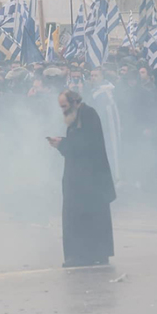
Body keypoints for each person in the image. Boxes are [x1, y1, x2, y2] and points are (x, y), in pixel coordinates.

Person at [48, 90, 116, 268]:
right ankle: (91, 254)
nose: (63, 110)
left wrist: (62, 144)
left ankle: (83, 255)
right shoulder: (76, 117)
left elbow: (86, 145)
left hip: (89, 178)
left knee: (84, 216)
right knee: (86, 215)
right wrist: (62, 141)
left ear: (75, 102)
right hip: (81, 177)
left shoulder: (87, 115)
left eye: (64, 106)